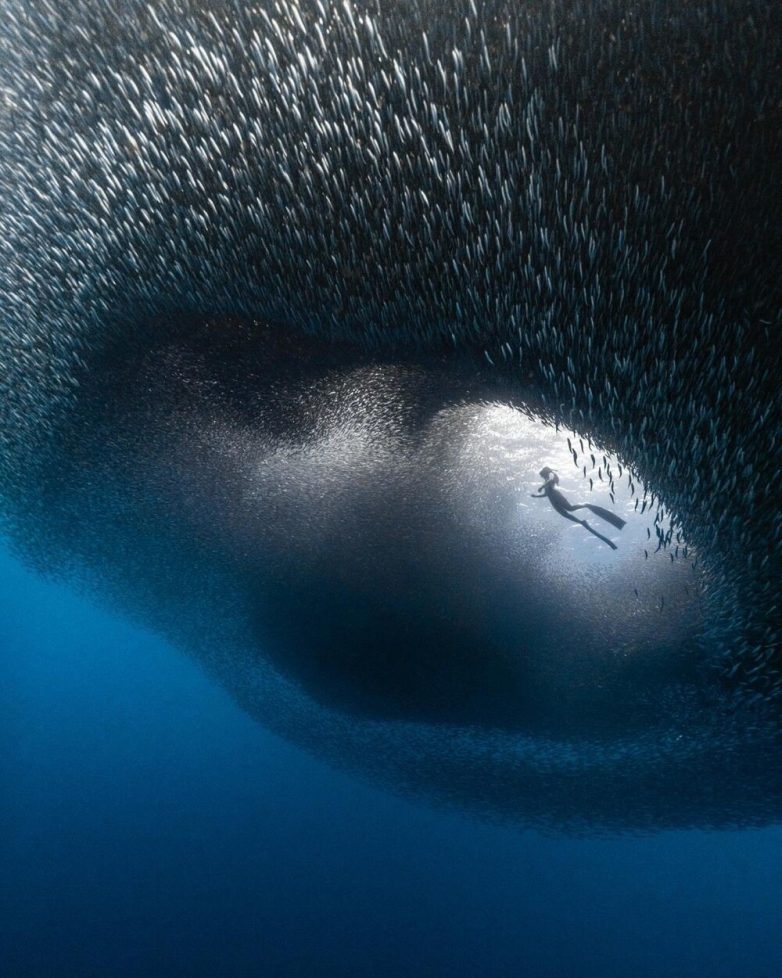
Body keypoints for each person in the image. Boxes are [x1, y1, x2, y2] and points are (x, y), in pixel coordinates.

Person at [531, 466, 626, 550]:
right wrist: (536, 496)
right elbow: (546, 494)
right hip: (553, 501)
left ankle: (586, 505)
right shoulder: (546, 483)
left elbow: (550, 482)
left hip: (557, 497)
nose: (542, 477)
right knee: (564, 514)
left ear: (545, 474)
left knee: (570, 508)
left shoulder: (549, 481)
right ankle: (581, 522)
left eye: (542, 475)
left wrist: (541, 486)